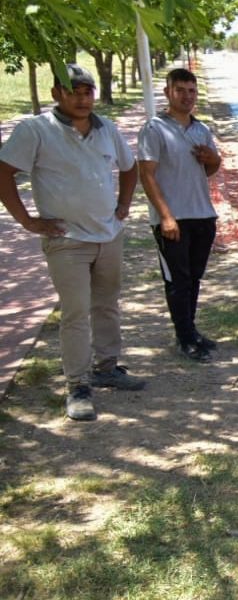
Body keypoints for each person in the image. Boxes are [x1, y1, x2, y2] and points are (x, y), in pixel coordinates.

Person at [0, 64, 147, 421]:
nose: (83, 98)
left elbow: (130, 167)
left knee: (107, 304)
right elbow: (3, 172)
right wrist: (27, 221)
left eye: (88, 91)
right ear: (56, 94)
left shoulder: (107, 129)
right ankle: (78, 385)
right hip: (67, 240)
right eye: (74, 91)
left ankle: (107, 366)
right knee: (76, 312)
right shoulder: (35, 131)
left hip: (108, 234)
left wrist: (124, 205)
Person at [137, 67, 223, 363]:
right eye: (180, 90)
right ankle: (184, 338)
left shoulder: (202, 130)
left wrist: (213, 160)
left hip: (202, 214)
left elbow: (210, 169)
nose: (187, 96)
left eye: (191, 91)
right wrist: (166, 216)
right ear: (168, 92)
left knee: (194, 277)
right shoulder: (154, 129)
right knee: (177, 280)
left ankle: (192, 330)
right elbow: (146, 175)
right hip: (172, 219)